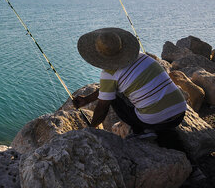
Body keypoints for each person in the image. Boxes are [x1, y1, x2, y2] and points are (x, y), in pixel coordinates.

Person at [73, 27, 205, 181]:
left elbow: (103, 107)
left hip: (155, 119)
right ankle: (194, 169)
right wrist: (87, 99)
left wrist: (91, 130)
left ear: (99, 56)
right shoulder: (143, 57)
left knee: (115, 98)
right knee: (164, 129)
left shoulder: (109, 74)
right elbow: (107, 88)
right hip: (179, 111)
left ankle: (141, 130)